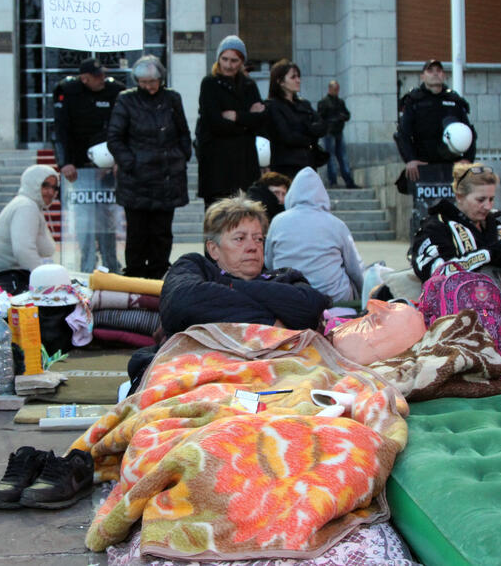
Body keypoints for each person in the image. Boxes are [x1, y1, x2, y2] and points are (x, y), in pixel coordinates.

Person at [127, 194, 330, 391]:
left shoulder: (285, 277)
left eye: (258, 239)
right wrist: (269, 322)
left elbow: (309, 309)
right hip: (199, 377)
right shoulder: (194, 266)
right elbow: (182, 302)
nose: (252, 247)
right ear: (213, 249)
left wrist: (228, 286)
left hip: (273, 380)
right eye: (240, 238)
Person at [106, 55, 191, 280]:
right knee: (137, 234)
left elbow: (183, 131)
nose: (149, 87)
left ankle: (159, 275)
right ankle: (134, 277)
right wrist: (130, 163)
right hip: (137, 180)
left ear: (161, 79)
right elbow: (114, 137)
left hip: (167, 176)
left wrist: (183, 155)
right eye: (143, 82)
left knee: (162, 233)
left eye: (152, 82)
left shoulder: (172, 98)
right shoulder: (126, 100)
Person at [52, 57, 125, 273]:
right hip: (79, 169)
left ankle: (111, 263)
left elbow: (122, 128)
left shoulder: (114, 91)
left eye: (103, 73)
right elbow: (60, 130)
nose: (102, 78)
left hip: (106, 166)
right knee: (84, 221)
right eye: (97, 75)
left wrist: (118, 159)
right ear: (84, 78)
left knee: (106, 221)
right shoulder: (68, 92)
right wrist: (65, 162)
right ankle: (86, 264)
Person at [410, 163, 501, 281]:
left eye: (491, 199)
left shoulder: (497, 226)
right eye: (481, 200)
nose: (488, 206)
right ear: (459, 196)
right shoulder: (436, 226)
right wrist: (492, 252)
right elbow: (439, 272)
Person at [265, 167, 364, 303]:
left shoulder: (277, 221)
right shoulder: (336, 224)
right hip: (333, 299)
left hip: (288, 297)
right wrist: (365, 293)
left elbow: (269, 262)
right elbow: (355, 269)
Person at [195, 36, 267, 209]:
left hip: (244, 165)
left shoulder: (249, 85)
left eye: (234, 60)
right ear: (218, 59)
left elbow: (260, 120)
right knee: (217, 217)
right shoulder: (210, 84)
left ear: (242, 62)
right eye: (225, 59)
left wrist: (236, 116)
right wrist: (247, 121)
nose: (228, 65)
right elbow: (215, 123)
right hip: (216, 167)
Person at [395, 59, 474, 193]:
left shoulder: (454, 100)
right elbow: (403, 134)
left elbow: (469, 133)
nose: (435, 73)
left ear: (444, 76)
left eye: (439, 71)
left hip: (451, 165)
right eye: (430, 71)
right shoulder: (414, 100)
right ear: (423, 76)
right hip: (423, 165)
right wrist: (410, 159)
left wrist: (467, 159)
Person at [0, 164, 59, 294]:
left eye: (54, 187)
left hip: (15, 275)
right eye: (45, 185)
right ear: (33, 184)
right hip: (13, 279)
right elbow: (23, 250)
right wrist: (44, 282)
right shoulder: (27, 207)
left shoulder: (29, 205)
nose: (50, 192)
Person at [264, 59, 327, 179]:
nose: (298, 80)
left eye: (298, 76)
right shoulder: (272, 106)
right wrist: (310, 132)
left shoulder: (304, 104)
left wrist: (305, 130)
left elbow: (322, 126)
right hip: (286, 167)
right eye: (293, 77)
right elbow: (287, 136)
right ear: (280, 81)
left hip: (309, 164)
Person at [318, 79, 358, 189]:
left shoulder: (340, 102)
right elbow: (320, 117)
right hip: (329, 132)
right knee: (331, 158)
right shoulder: (324, 102)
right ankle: (333, 181)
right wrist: (331, 122)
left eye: (337, 89)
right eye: (335, 89)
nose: (336, 91)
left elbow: (347, 115)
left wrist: (341, 117)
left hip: (339, 132)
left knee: (343, 157)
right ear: (330, 89)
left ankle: (348, 181)